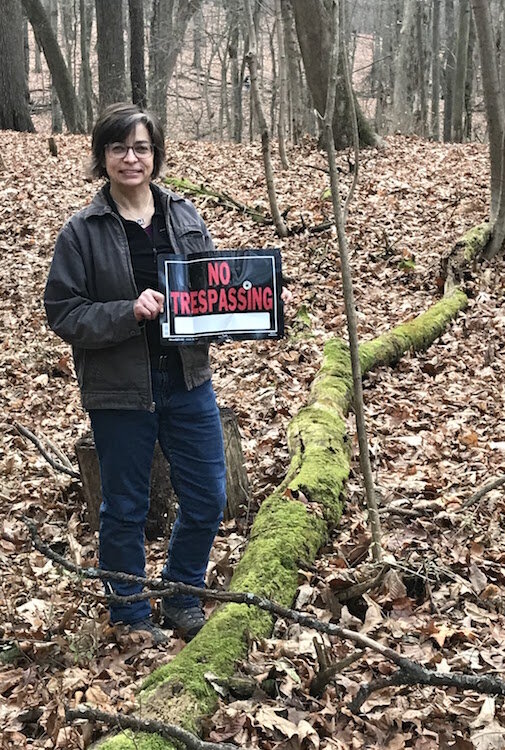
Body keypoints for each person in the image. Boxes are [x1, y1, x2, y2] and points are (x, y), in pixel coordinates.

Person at [44, 103, 229, 644]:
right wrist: (129, 311)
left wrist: (256, 303)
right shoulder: (82, 231)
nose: (132, 158)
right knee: (124, 507)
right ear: (103, 157)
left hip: (188, 379)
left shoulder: (185, 215)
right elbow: (63, 312)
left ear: (156, 155)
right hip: (121, 388)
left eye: (142, 148)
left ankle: (181, 592)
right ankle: (128, 612)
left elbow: (211, 289)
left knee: (208, 497)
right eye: (120, 148)